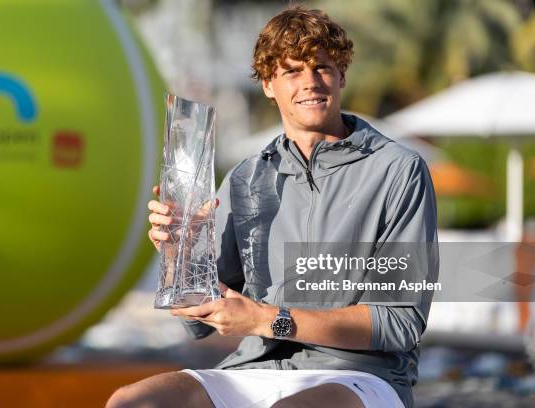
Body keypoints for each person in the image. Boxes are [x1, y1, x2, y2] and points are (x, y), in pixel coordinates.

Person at [107, 5, 438, 408]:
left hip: (361, 375)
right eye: (292, 71)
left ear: (341, 75)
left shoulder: (399, 170)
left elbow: (400, 323)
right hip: (254, 369)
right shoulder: (245, 178)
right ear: (268, 84)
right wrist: (181, 254)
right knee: (133, 402)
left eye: (322, 67)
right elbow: (200, 318)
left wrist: (265, 319)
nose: (311, 82)